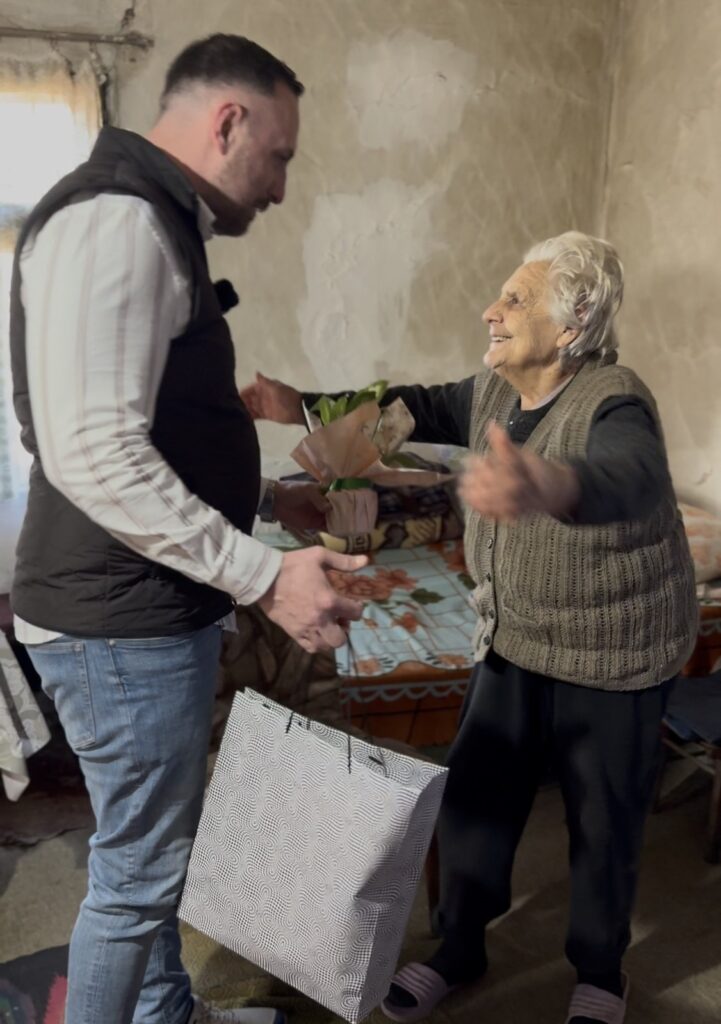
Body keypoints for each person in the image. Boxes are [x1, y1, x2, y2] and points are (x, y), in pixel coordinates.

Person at [239, 231, 698, 1024]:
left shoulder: (613, 397)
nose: (491, 311)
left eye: (515, 299)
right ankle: (457, 947)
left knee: (603, 820)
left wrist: (550, 483)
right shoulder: (489, 391)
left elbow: (632, 472)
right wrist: (301, 404)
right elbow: (401, 406)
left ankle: (599, 973)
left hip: (613, 653)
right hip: (516, 636)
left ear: (571, 324)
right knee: (475, 801)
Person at [10, 34, 369, 1024]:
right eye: (279, 157)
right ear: (227, 121)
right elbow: (94, 455)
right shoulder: (117, 220)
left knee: (152, 861)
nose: (282, 187)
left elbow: (155, 440)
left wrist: (266, 504)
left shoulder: (147, 217)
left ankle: (166, 1013)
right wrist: (268, 574)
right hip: (120, 626)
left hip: (134, 614)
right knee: (135, 880)